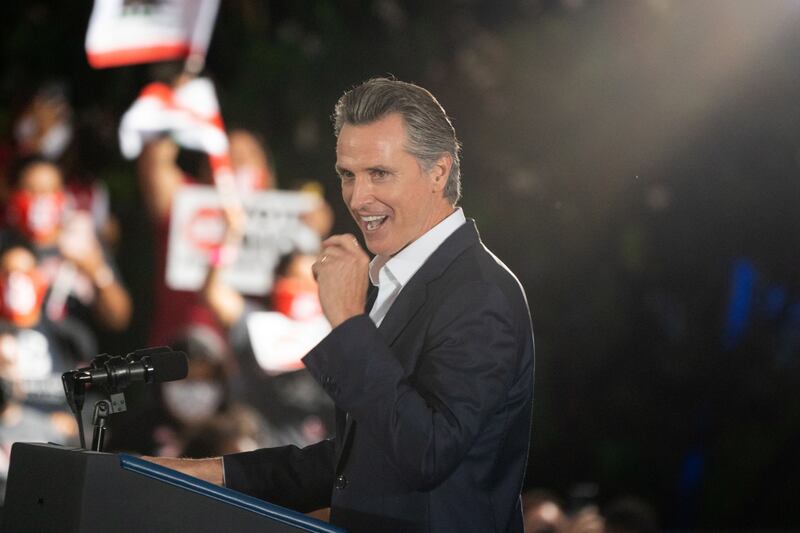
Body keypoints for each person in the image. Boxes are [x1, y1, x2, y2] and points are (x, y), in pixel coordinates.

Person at [147, 78, 535, 533]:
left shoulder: (479, 292)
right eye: (348, 175)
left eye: (379, 174)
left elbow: (425, 452)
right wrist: (208, 474)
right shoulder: (400, 281)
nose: (357, 197)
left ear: (439, 172)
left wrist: (349, 321)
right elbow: (358, 461)